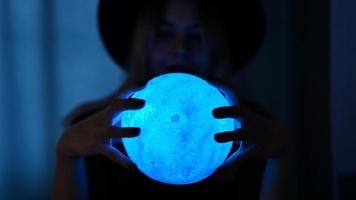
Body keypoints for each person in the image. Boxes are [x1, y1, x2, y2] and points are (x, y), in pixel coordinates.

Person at [53, 0, 297, 199]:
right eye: (164, 33)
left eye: (196, 35)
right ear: (142, 45)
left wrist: (283, 155)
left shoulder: (250, 130)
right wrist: (66, 157)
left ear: (216, 48)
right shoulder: (97, 131)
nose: (180, 48)